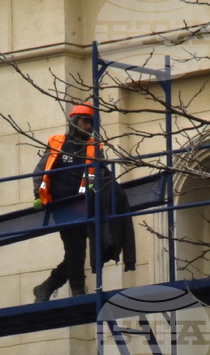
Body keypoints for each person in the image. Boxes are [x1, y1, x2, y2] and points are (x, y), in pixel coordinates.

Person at [32, 103, 135, 302]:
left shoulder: (95, 148)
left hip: (84, 205)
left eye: (91, 123)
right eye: (84, 121)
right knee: (76, 248)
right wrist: (37, 194)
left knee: (76, 250)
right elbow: (40, 171)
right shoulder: (58, 143)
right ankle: (76, 288)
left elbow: (102, 176)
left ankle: (47, 287)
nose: (87, 127)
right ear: (74, 122)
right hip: (62, 205)